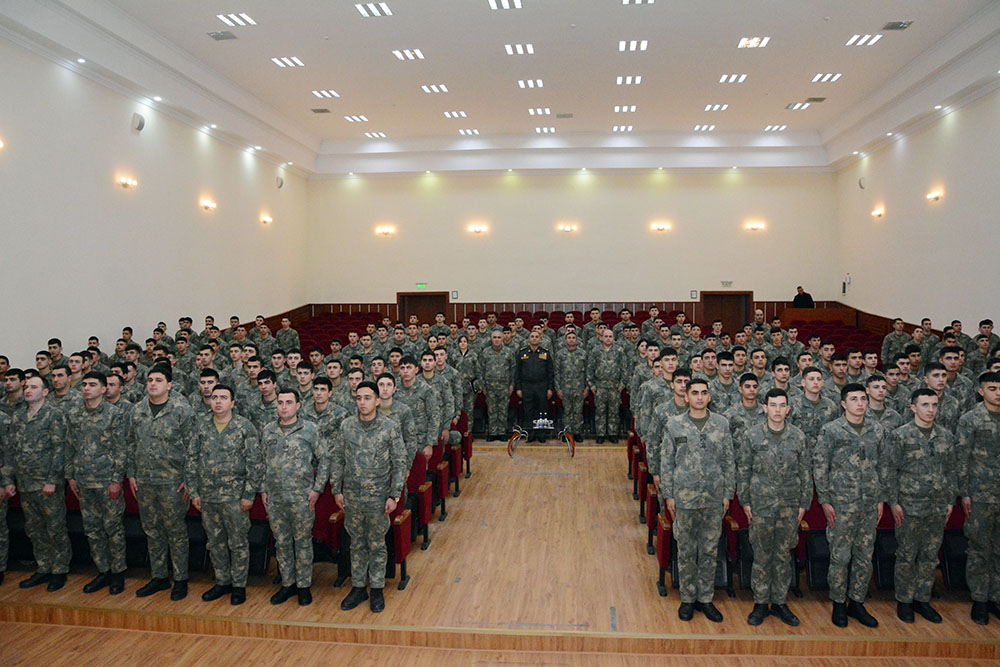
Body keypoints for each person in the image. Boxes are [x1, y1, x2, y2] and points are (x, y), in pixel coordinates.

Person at [659, 378, 735, 623]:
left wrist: (727, 494)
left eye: (704, 393)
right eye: (695, 393)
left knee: (710, 550)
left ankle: (706, 598)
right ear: (687, 396)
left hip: (713, 498)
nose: (700, 397)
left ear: (709, 397)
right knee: (686, 550)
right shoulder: (674, 425)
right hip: (684, 498)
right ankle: (688, 598)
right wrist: (669, 495)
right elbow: (667, 463)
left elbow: (728, 462)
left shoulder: (721, 424)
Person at [814, 383, 886, 628]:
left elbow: (882, 467)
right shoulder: (831, 430)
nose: (860, 403)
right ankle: (837, 603)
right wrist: (824, 500)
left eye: (863, 398)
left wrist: (880, 499)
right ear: (843, 403)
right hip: (841, 504)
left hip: (868, 503)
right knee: (840, 556)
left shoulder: (877, 430)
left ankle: (857, 601)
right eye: (854, 399)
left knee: (865, 556)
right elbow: (821, 468)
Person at [332, 381, 408, 613]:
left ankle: (376, 588)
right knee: (356, 543)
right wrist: (336, 489)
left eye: (367, 398)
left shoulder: (389, 427)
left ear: (377, 400)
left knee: (376, 544)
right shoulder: (346, 426)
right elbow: (337, 459)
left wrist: (394, 495)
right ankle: (357, 587)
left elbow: (400, 462)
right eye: (359, 398)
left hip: (378, 497)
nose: (362, 403)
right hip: (353, 497)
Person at [738, 388, 811, 626]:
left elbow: (805, 472)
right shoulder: (752, 435)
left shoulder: (798, 437)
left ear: (788, 409)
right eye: (773, 405)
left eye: (782, 405)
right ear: (765, 408)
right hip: (760, 504)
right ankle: (760, 602)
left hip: (789, 505)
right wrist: (745, 501)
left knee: (782, 556)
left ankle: (780, 602)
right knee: (761, 554)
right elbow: (744, 470)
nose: (778, 410)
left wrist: (804, 503)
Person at [886, 388, 955, 624]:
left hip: (936, 506)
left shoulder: (946, 436)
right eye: (925, 405)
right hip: (909, 506)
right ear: (913, 407)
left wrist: (950, 501)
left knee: (929, 556)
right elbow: (890, 471)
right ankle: (904, 600)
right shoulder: (900, 436)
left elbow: (951, 471)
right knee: (907, 554)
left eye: (934, 405)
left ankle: (922, 599)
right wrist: (894, 502)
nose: (931, 410)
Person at [189, 385, 262, 606]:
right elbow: (192, 459)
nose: (218, 401)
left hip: (234, 496)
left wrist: (249, 494)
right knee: (215, 542)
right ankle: (222, 581)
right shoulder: (201, 426)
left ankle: (239, 585)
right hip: (209, 496)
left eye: (223, 397)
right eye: (214, 397)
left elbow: (254, 463)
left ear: (232, 403)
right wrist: (194, 492)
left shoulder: (244, 427)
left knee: (238, 542)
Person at [127, 365, 195, 601]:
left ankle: (181, 578)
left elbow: (192, 448)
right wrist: (131, 474)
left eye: (158, 380)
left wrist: (189, 479)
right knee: (152, 531)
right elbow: (130, 444)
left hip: (172, 482)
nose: (153, 384)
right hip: (145, 481)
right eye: (150, 380)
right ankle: (158, 577)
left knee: (175, 531)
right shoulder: (137, 411)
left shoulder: (181, 410)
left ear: (169, 385)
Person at [3, 374, 70, 591]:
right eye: (26, 387)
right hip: (25, 482)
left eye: (34, 387)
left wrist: (52, 480)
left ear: (45, 392)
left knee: (55, 528)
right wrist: (8, 480)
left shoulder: (54, 415)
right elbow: (10, 451)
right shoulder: (18, 417)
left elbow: (61, 449)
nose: (28, 390)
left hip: (47, 483)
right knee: (34, 529)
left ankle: (59, 570)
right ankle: (43, 567)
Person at [64, 372, 128, 595]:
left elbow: (121, 449)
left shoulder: (114, 414)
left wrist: (116, 479)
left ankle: (118, 573)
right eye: (84, 384)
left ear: (104, 389)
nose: (87, 388)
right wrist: (71, 476)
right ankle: (103, 570)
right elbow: (70, 447)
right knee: (92, 530)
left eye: (92, 385)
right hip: (83, 480)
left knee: (113, 528)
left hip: (106, 481)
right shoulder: (74, 414)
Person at [262, 389, 327, 606]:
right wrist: (263, 489)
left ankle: (304, 586)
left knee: (302, 543)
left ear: (298, 406)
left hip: (302, 497)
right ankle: (287, 584)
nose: (283, 406)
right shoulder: (269, 430)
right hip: (276, 498)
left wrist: (317, 489)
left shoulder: (309, 429)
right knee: (281, 543)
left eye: (289, 402)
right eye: (280, 402)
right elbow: (262, 463)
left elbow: (325, 459)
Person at [957, 371, 1000, 625]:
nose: (998, 392)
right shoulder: (970, 419)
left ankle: (996, 596)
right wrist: (964, 492)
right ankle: (980, 600)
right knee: (979, 549)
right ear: (981, 391)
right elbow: (961, 458)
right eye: (993, 388)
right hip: (980, 494)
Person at [514, 330, 554, 442]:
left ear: (540, 339)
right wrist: (518, 388)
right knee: (528, 411)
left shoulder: (545, 353)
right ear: (529, 339)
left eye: (537, 336)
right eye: (532, 336)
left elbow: (550, 372)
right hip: (527, 386)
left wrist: (550, 388)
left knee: (542, 411)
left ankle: (541, 435)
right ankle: (530, 434)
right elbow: (517, 372)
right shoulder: (522, 353)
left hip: (542, 386)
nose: (534, 338)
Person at [588, 329, 625, 443]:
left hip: (615, 386)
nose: (608, 338)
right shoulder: (596, 350)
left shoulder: (619, 350)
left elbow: (624, 368)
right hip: (600, 385)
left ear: (613, 337)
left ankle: (613, 434)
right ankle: (600, 434)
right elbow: (590, 368)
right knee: (600, 411)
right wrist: (591, 384)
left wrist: (622, 384)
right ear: (602, 337)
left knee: (614, 411)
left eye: (610, 336)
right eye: (606, 336)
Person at [478, 331, 514, 441]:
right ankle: (493, 433)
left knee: (503, 410)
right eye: (494, 337)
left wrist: (512, 385)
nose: (497, 339)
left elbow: (513, 369)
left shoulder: (509, 352)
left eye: (499, 337)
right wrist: (482, 385)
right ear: (491, 339)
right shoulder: (485, 352)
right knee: (491, 410)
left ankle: (502, 432)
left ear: (503, 338)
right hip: (489, 386)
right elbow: (480, 370)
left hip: (504, 386)